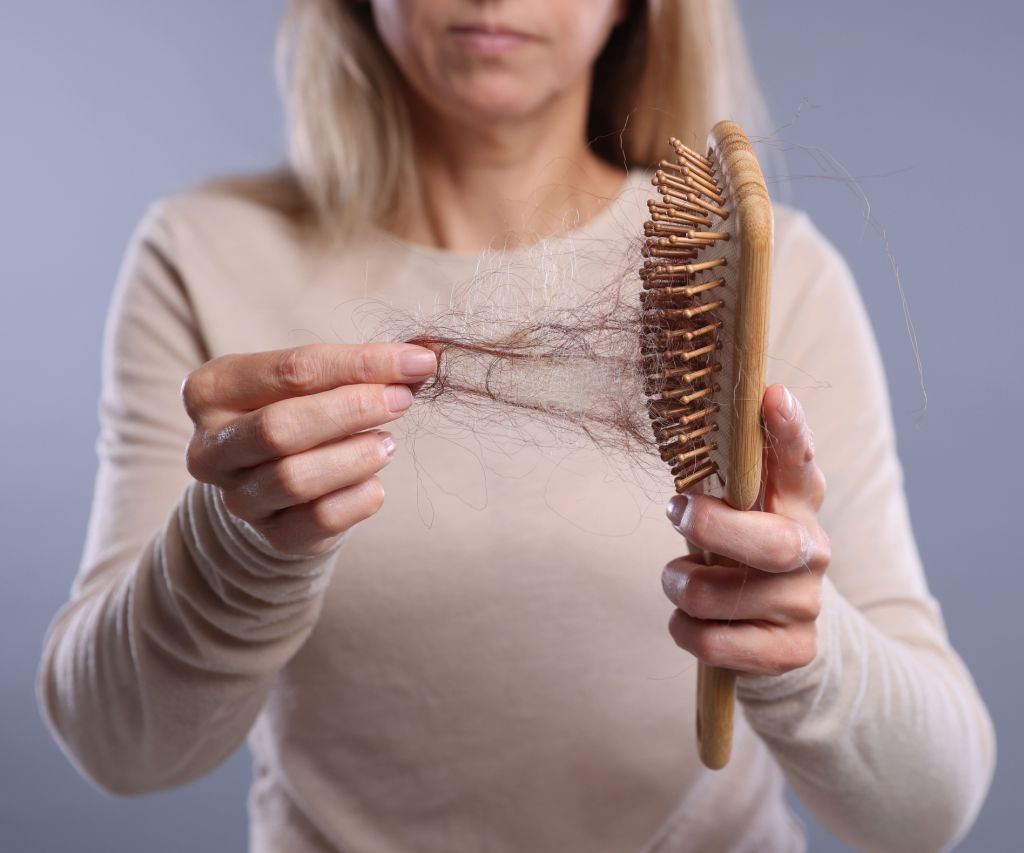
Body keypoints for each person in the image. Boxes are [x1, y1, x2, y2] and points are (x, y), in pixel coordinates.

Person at [38, 1, 995, 851]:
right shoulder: (202, 253)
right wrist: (232, 551)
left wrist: (802, 645)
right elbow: (121, 748)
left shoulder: (769, 284)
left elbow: (927, 810)